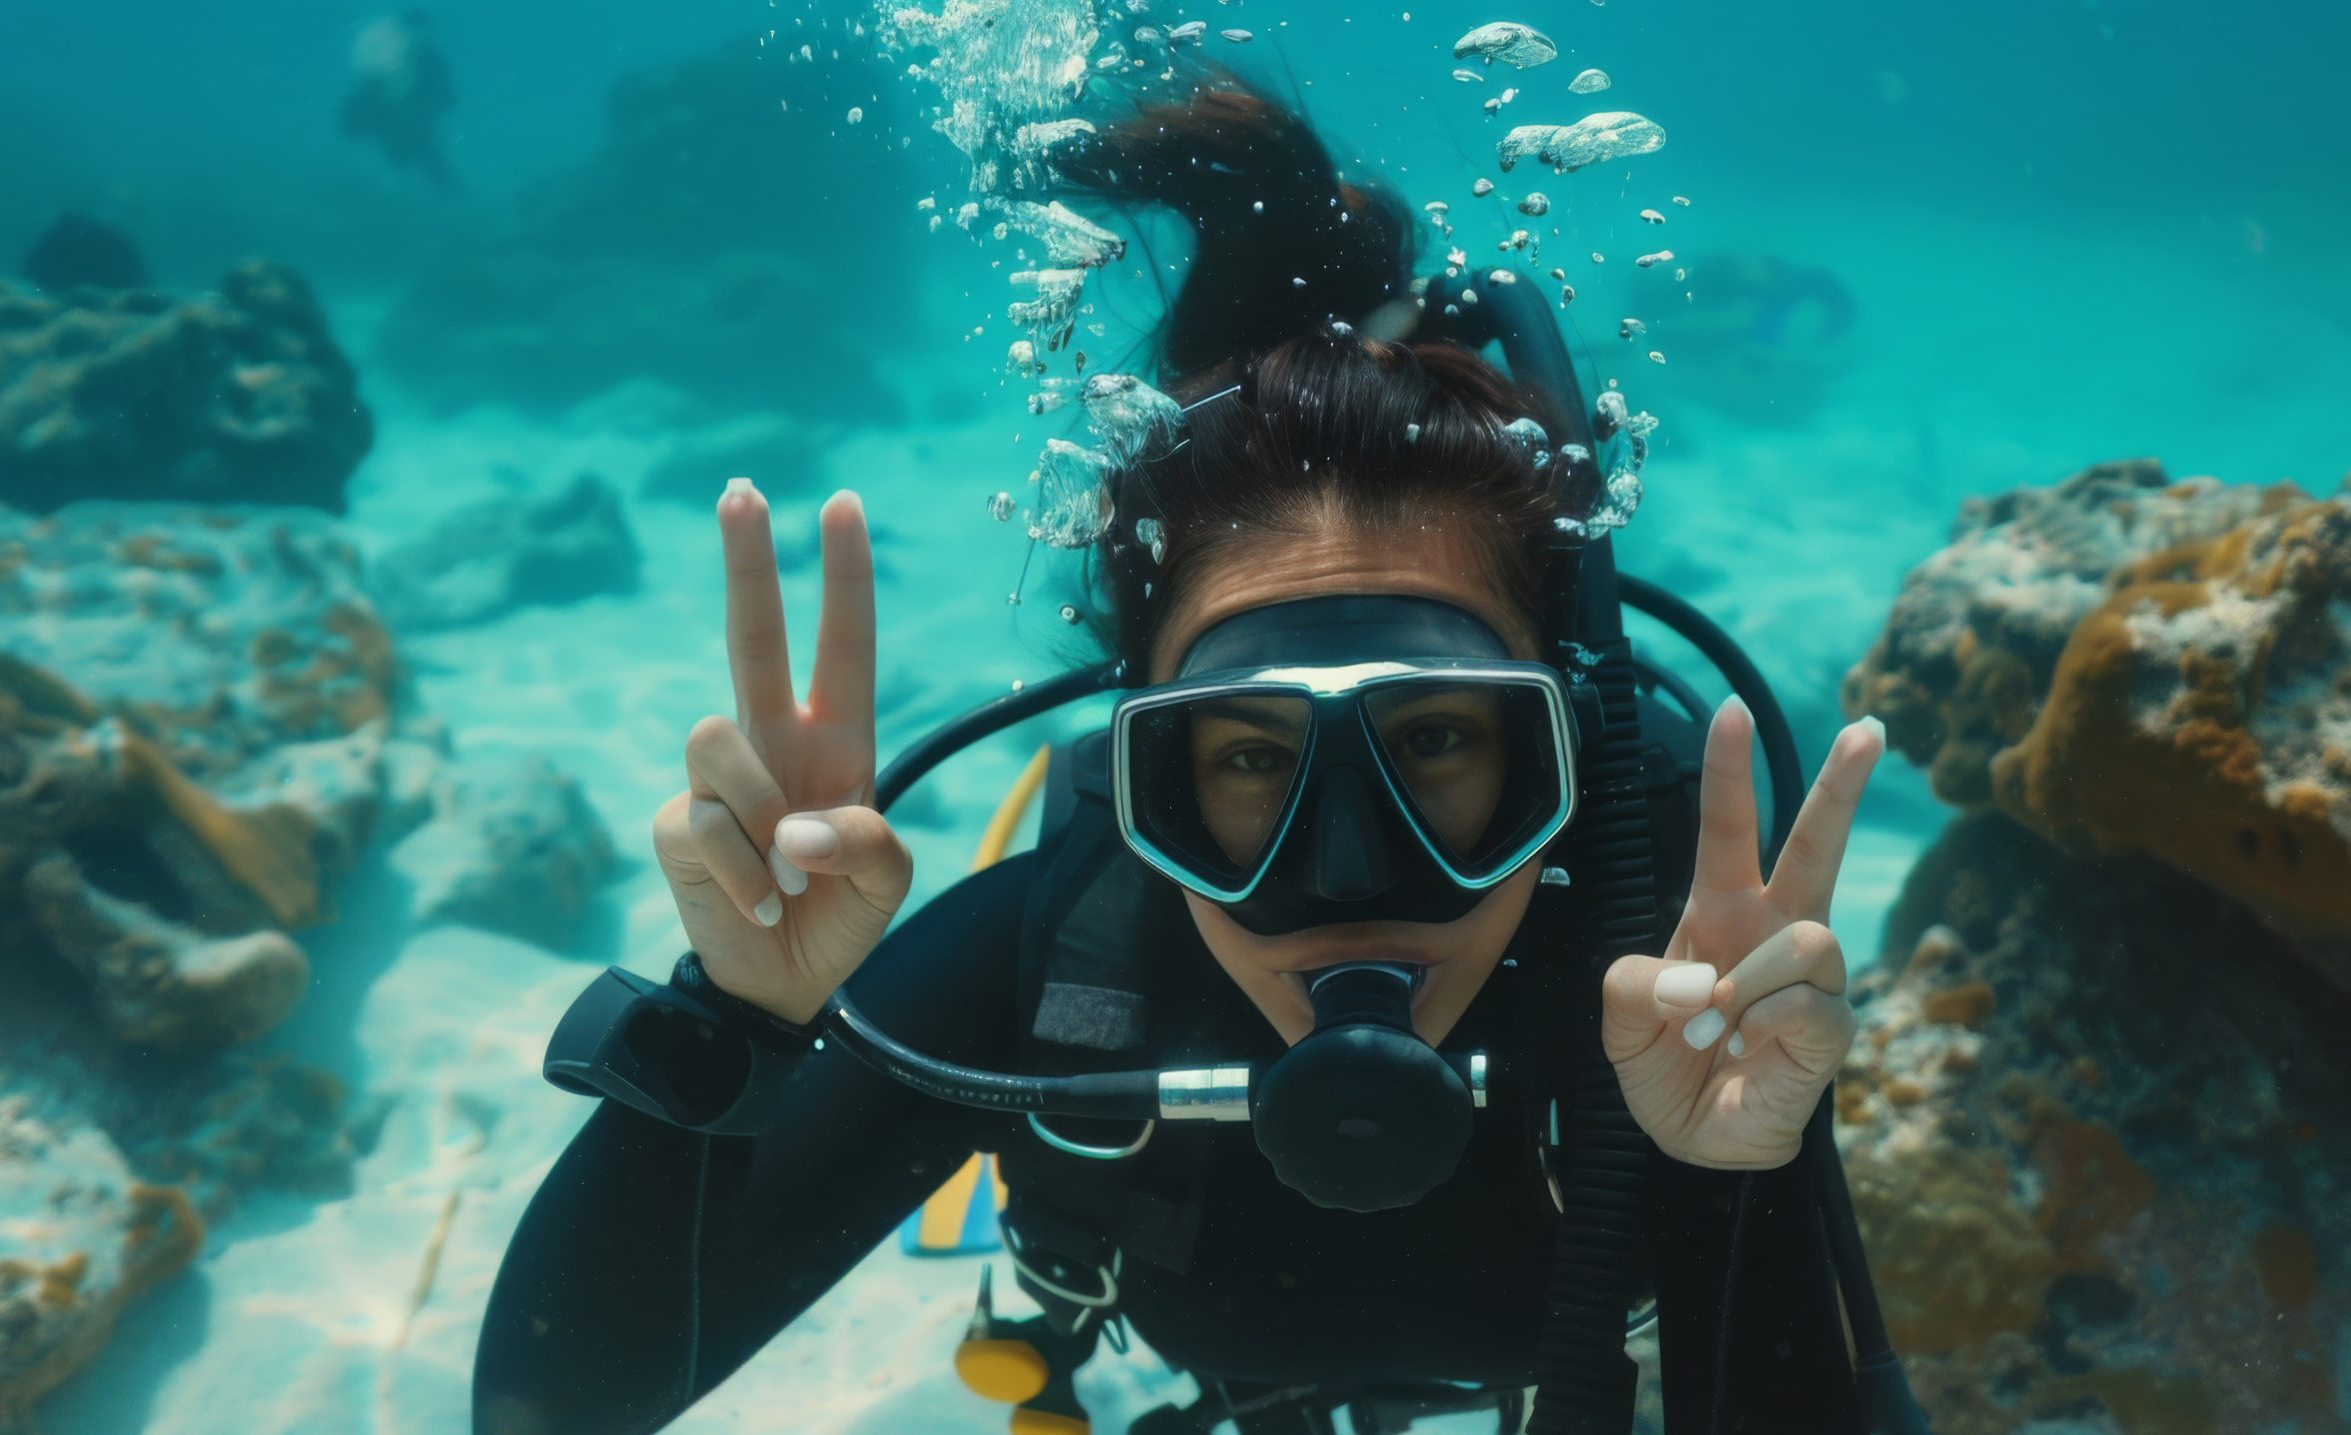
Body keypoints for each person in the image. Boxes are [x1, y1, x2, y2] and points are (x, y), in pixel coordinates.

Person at [474, 75, 1917, 1435]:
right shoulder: (1064, 955)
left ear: (1560, 747)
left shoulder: (1667, 943)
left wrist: (1748, 1172)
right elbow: (551, 1410)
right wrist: (734, 1015)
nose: (1347, 879)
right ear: (1144, 754)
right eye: (1242, 759)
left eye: (1432, 738)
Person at [340, 8, 454, 189]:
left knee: (417, 151)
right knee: (415, 152)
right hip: (394, 114)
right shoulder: (385, 51)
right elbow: (445, 97)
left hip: (400, 115)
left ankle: (447, 191)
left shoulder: (381, 48)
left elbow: (444, 95)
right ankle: (447, 192)